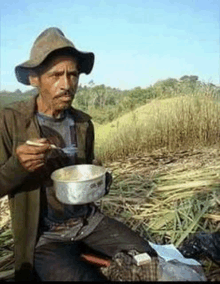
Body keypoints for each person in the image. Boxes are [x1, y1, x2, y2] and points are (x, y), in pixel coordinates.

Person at [0, 27, 158, 281]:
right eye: (56, 75)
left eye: (72, 75)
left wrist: (100, 179)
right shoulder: (10, 121)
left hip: (87, 223)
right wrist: (17, 166)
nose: (66, 84)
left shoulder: (83, 124)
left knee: (147, 258)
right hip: (44, 237)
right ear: (34, 79)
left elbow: (84, 182)